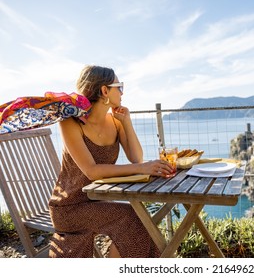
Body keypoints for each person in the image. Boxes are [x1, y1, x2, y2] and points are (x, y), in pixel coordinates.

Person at [48, 65, 174, 258]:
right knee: (131, 217)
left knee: (136, 218)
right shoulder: (70, 122)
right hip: (70, 207)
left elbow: (136, 157)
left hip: (98, 200)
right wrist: (141, 168)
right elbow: (92, 171)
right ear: (105, 90)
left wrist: (126, 122)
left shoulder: (115, 121)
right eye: (119, 86)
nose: (122, 92)